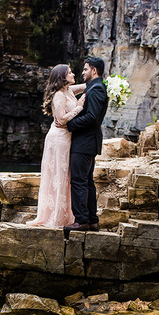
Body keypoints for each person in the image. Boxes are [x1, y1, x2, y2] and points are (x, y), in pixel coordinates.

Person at [30, 64, 85, 228]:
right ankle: (54, 216)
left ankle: (64, 214)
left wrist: (105, 83)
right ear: (62, 77)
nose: (73, 73)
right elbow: (61, 119)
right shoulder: (59, 95)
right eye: (70, 73)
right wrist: (80, 107)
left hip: (66, 137)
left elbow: (86, 86)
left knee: (64, 176)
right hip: (59, 138)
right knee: (58, 175)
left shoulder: (69, 90)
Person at [64, 56, 108, 231]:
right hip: (88, 142)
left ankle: (81, 221)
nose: (82, 73)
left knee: (79, 181)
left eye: (85, 69)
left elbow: (92, 117)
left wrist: (70, 125)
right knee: (87, 182)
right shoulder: (93, 87)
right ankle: (92, 220)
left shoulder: (96, 89)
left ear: (94, 71)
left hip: (85, 142)